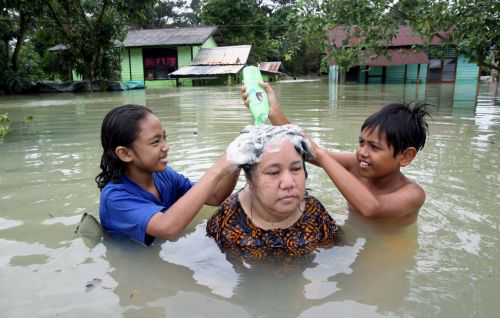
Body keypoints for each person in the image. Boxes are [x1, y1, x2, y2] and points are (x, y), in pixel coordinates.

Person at [242, 83, 430, 225]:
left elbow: (372, 208)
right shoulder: (355, 163)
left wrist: (321, 155)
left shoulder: (412, 194)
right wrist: (273, 112)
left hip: (389, 255)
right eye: (361, 143)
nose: (362, 152)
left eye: (374, 147)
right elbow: (308, 153)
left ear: (406, 156)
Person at [96, 104, 239, 246]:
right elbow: (167, 228)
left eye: (165, 138)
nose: (166, 146)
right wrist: (216, 170)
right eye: (156, 141)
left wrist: (237, 158)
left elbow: (214, 197)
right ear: (125, 154)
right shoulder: (115, 199)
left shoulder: (163, 175)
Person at [206, 125, 340, 270]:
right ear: (250, 179)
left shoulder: (315, 213)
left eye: (296, 169)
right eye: (273, 172)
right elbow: (213, 266)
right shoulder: (228, 216)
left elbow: (334, 259)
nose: (289, 183)